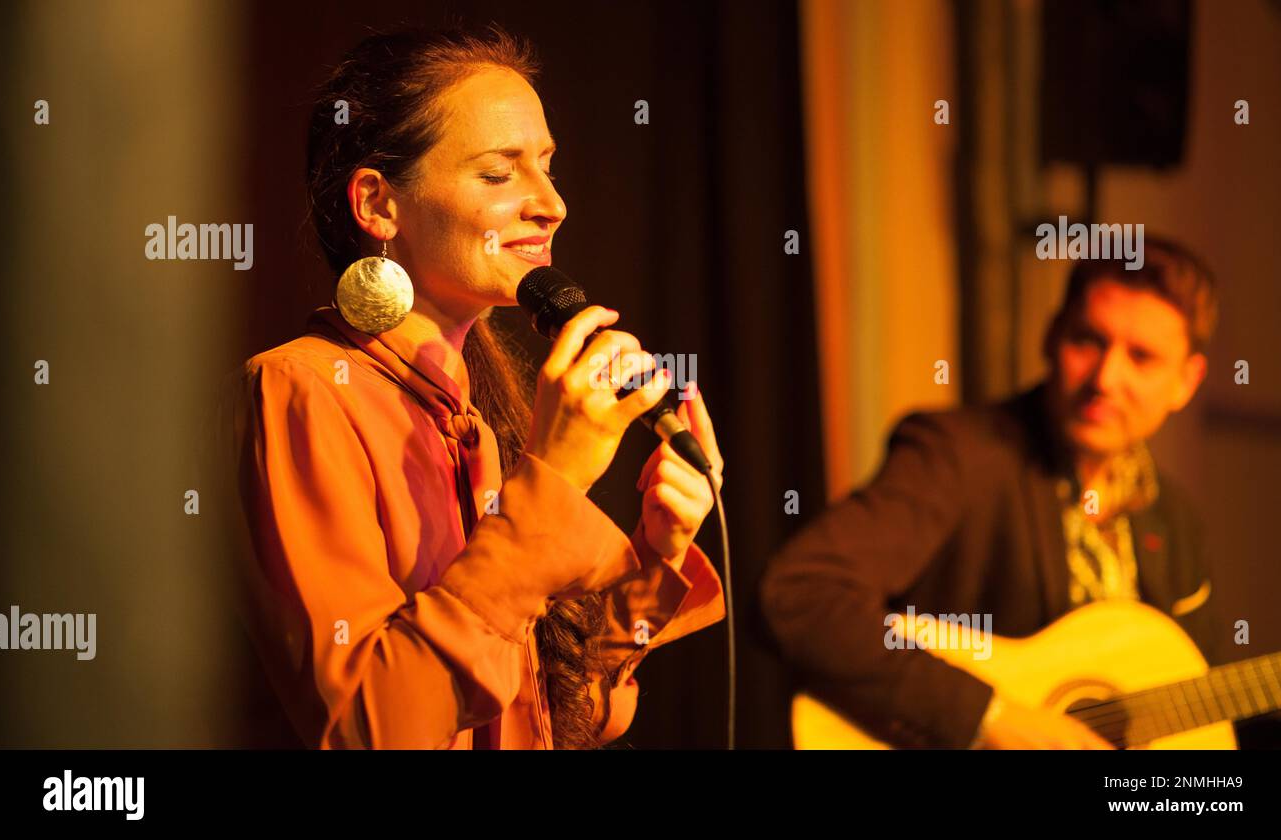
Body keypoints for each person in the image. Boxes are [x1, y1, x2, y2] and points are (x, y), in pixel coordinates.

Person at [232, 26, 725, 750]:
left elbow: (556, 718)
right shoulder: (298, 392)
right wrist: (552, 484)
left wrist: (659, 556)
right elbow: (369, 728)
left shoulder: (480, 419)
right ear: (377, 204)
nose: (550, 203)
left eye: (549, 167)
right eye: (500, 174)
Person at [761, 237, 1218, 748]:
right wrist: (990, 717)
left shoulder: (1175, 522)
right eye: (1088, 340)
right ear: (1050, 335)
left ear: (1187, 381)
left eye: (1142, 357)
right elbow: (799, 592)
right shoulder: (956, 455)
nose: (1106, 378)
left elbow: (1197, 707)